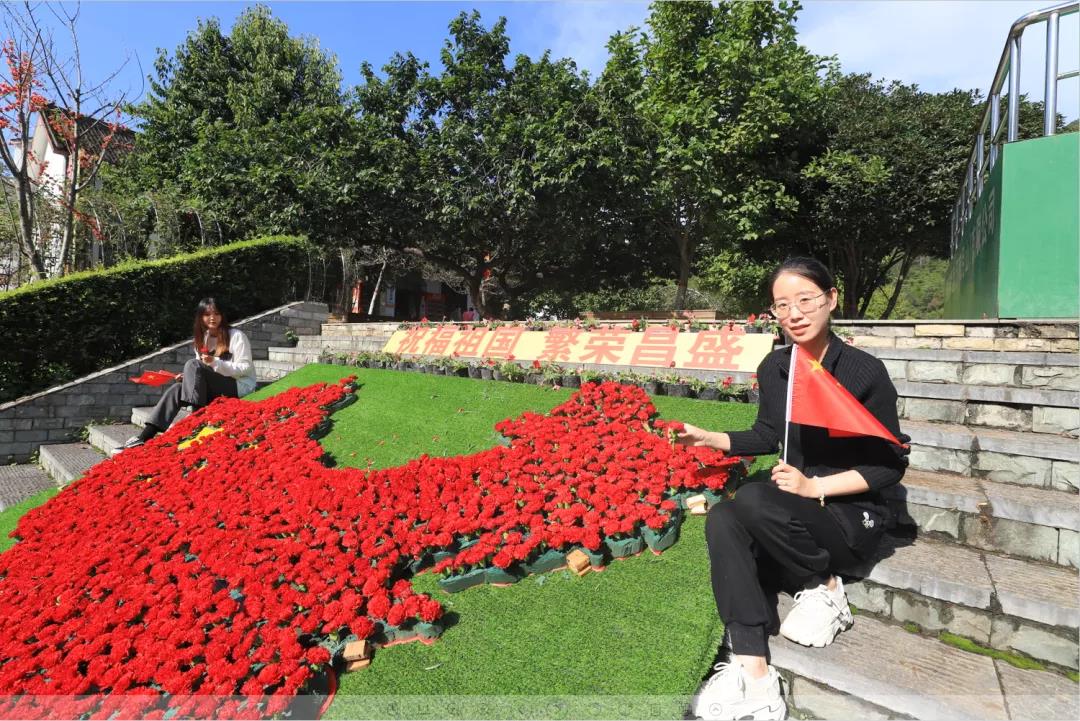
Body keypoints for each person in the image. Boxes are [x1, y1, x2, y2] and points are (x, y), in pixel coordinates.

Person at [679, 257, 909, 721]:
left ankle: (826, 585)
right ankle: (753, 671)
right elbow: (767, 434)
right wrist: (709, 438)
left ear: (831, 299)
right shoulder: (776, 367)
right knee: (724, 517)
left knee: (752, 497)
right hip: (792, 511)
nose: (794, 314)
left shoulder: (864, 371)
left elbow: (889, 464)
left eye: (806, 299)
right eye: (782, 305)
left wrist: (813, 486)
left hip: (850, 515)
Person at [123, 298, 256, 448]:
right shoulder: (202, 338)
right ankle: (145, 436)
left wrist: (215, 362)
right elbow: (201, 372)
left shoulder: (236, 336)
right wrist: (187, 378)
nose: (212, 318)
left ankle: (196, 420)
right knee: (176, 389)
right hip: (213, 388)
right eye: (207, 314)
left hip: (238, 385)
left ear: (222, 316)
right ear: (201, 317)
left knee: (192, 364)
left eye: (217, 314)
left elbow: (245, 368)